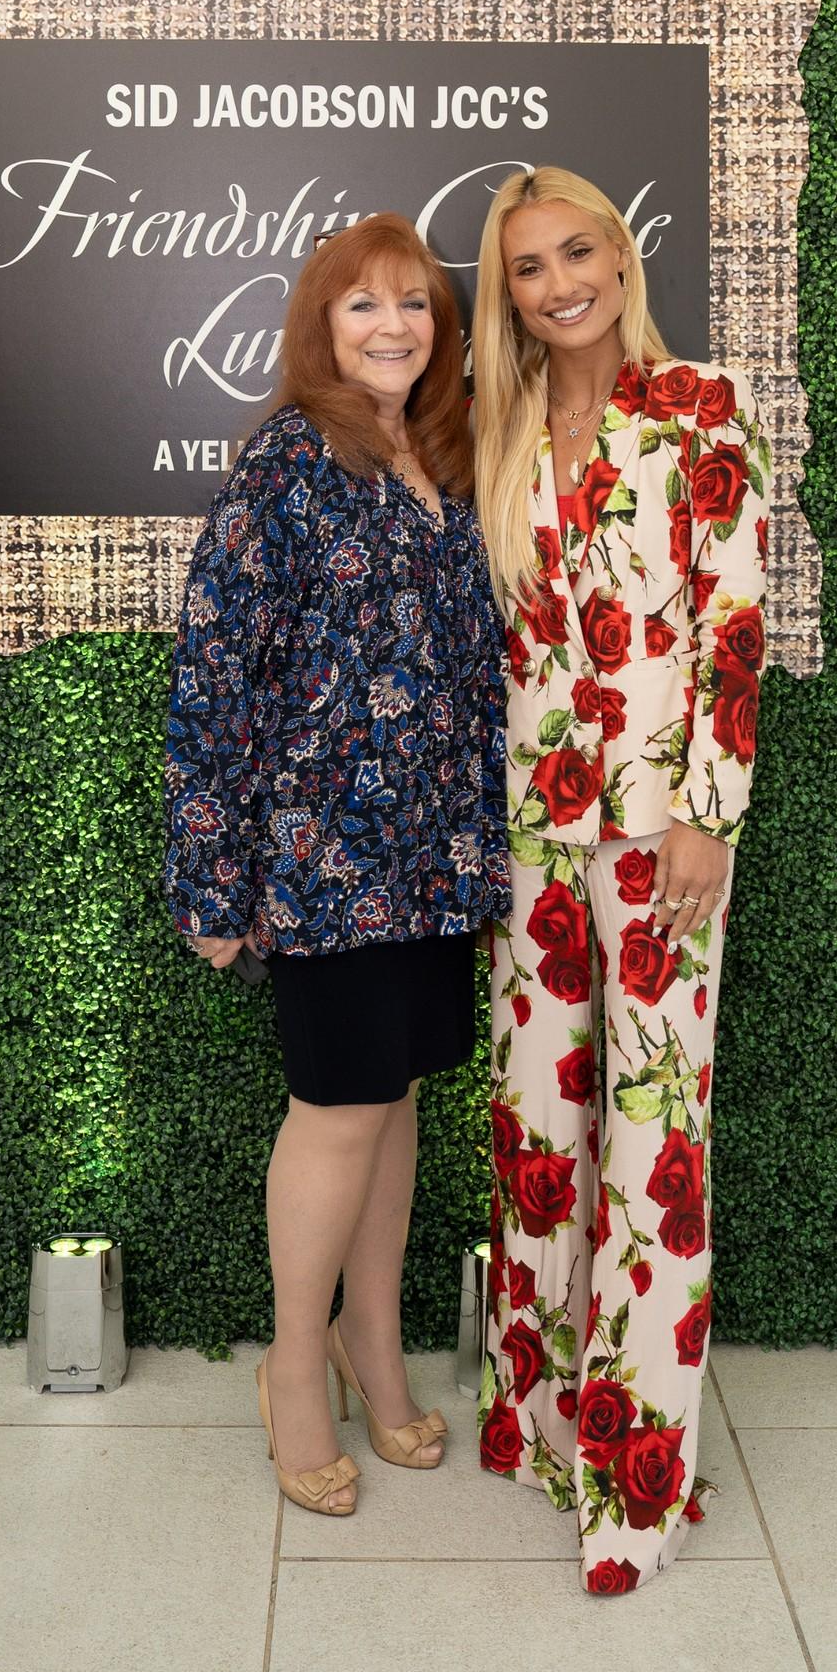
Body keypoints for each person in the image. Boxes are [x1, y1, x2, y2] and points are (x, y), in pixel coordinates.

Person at [164, 213, 510, 1517]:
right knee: (339, 1108)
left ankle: (375, 1348)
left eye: (414, 304)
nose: (393, 326)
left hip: (434, 853)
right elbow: (217, 673)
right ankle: (295, 1374)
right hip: (324, 855)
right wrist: (211, 874)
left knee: (396, 1097)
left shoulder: (443, 461)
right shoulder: (288, 462)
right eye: (364, 304)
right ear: (322, 324)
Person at [470, 166, 771, 1591]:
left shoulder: (701, 403)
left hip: (663, 833)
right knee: (537, 1127)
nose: (558, 285)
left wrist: (710, 809)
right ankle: (542, 1428)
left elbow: (733, 618)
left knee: (655, 1148)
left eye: (576, 252)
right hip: (531, 826)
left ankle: (636, 1494)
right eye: (528, 268)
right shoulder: (501, 422)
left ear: (621, 255)